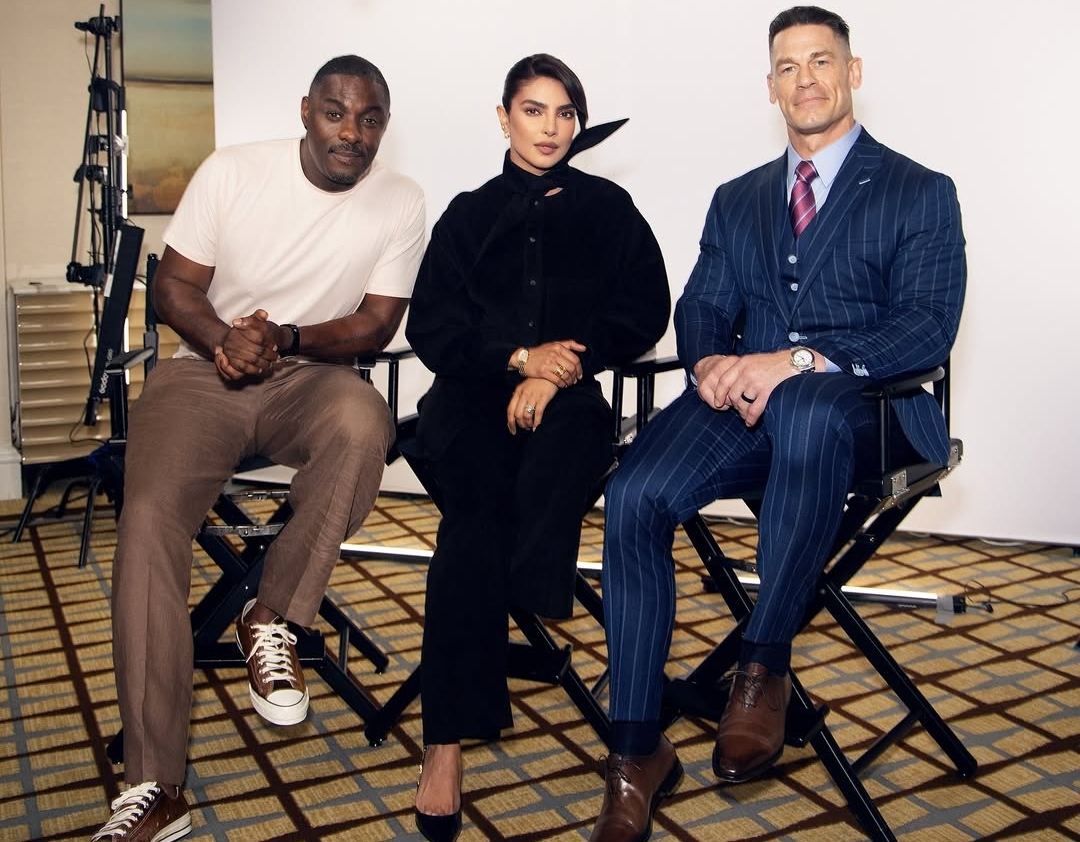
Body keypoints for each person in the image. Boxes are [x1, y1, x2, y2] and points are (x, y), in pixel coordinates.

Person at [590, 7, 966, 841]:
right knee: (635, 495)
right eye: (788, 67)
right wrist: (710, 366)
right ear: (770, 87)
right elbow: (703, 306)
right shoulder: (738, 199)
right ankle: (635, 749)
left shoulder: (919, 190)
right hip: (747, 411)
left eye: (821, 61)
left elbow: (926, 328)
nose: (805, 79)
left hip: (869, 415)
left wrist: (792, 362)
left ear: (852, 72)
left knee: (804, 407)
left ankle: (762, 666)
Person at [91, 55, 425, 842]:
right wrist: (224, 340)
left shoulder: (402, 200)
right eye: (336, 113)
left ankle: (270, 613)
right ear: (306, 110)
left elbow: (376, 323)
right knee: (148, 520)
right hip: (201, 373)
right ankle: (153, 785)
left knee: (365, 423)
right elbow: (173, 287)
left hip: (308, 375)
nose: (352, 133)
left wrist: (286, 338)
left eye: (370, 119)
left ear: (384, 126)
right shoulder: (233, 172)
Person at [404, 53, 670, 842]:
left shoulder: (610, 209)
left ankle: (524, 587)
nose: (550, 128)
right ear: (503, 117)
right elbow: (433, 328)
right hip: (470, 398)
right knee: (474, 515)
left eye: (565, 113)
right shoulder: (467, 214)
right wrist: (519, 360)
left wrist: (562, 368)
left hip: (570, 398)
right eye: (533, 110)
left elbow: (645, 310)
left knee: (568, 443)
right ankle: (444, 747)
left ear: (577, 124)